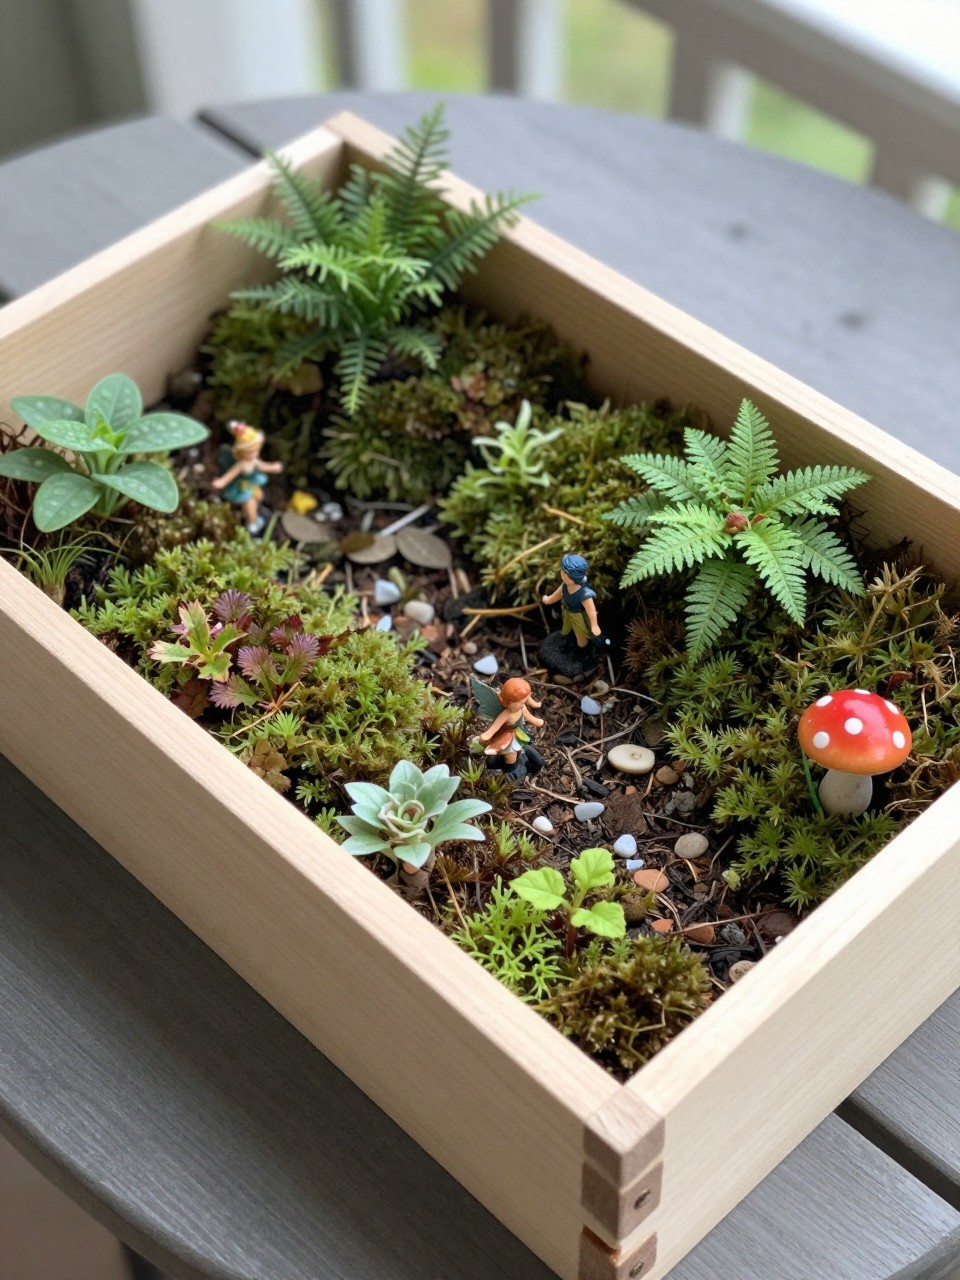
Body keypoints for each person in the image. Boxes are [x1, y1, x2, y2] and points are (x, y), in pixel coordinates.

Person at [211, 420, 283, 534]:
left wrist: (273, 467)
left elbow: (262, 466)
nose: (254, 454)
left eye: (256, 450)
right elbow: (230, 475)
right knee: (250, 503)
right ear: (241, 451)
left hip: (251, 484)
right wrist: (221, 482)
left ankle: (254, 513)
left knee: (259, 496)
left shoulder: (253, 460)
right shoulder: (242, 464)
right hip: (241, 487)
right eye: (250, 452)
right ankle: (252, 523)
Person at [477, 677, 545, 779]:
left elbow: (529, 717)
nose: (524, 704)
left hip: (517, 733)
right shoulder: (506, 714)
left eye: (525, 701)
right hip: (505, 736)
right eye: (522, 702)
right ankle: (509, 772)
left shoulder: (522, 708)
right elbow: (495, 726)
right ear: (509, 703)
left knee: (530, 752)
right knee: (511, 757)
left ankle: (523, 765)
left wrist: (536, 721)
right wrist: (487, 735)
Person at [541, 553, 601, 649]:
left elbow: (591, 610)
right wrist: (548, 600)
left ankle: (583, 648)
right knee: (566, 629)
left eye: (564, 572)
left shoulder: (584, 593)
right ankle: (568, 641)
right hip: (567, 611)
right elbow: (557, 595)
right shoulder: (565, 585)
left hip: (578, 616)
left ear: (572, 576)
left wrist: (594, 625)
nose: (561, 572)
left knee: (580, 636)